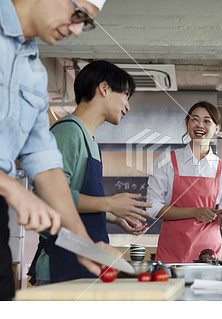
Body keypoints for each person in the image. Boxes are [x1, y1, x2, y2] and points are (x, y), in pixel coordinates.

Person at [0, 0, 117, 300]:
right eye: (78, 15)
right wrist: (12, 188)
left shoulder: (34, 75)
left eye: (85, 22)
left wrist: (83, 245)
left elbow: (47, 167)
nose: (77, 30)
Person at [28, 61, 152, 284]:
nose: (128, 106)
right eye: (125, 95)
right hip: (61, 262)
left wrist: (113, 216)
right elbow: (50, 197)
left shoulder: (91, 141)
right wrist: (108, 204)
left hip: (85, 259)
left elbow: (74, 200)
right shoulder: (67, 132)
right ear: (104, 88)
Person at [146, 101, 222, 263]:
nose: (200, 125)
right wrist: (194, 212)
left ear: (216, 129)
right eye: (194, 119)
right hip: (173, 248)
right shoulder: (167, 160)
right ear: (187, 124)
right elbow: (152, 207)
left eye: (207, 121)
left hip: (208, 249)